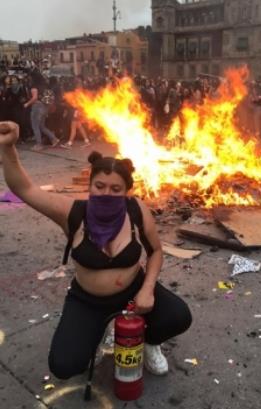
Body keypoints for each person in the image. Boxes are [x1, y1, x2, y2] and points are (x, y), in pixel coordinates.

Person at [0, 123, 192, 380]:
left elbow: (156, 251)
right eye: (99, 186)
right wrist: (8, 147)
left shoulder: (136, 209)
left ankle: (149, 342)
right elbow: (25, 189)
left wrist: (146, 290)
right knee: (65, 366)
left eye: (115, 189)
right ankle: (98, 331)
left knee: (179, 316)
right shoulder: (73, 213)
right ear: (89, 186)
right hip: (87, 301)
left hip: (133, 293)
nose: (106, 193)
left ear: (127, 192)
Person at [25, 71, 60, 151]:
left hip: (37, 107)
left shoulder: (34, 86)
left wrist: (26, 104)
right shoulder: (45, 85)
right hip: (45, 107)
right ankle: (54, 139)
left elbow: (34, 98)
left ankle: (39, 144)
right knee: (42, 126)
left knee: (35, 126)